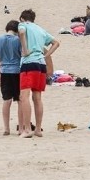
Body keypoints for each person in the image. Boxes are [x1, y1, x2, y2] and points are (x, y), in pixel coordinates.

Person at [17, 9, 59, 139]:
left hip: (29, 63)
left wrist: (25, 50)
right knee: (37, 97)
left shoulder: (23, 25)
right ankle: (38, 129)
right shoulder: (40, 29)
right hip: (41, 64)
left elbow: (22, 32)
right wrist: (46, 55)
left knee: (24, 96)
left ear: (22, 18)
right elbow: (56, 43)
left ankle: (27, 129)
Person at [0, 20, 23, 136]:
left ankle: (6, 128)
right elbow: (22, 55)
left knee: (7, 100)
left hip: (4, 71)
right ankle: (21, 128)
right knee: (20, 100)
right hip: (17, 71)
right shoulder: (18, 40)